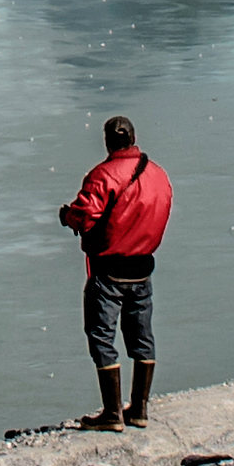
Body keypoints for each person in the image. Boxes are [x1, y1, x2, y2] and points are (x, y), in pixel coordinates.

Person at [55, 112, 171, 430]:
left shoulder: (103, 175)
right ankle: (140, 410)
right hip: (142, 268)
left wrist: (66, 216)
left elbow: (85, 215)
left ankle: (111, 414)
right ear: (133, 138)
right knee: (142, 336)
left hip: (108, 271)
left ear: (108, 142)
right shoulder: (158, 175)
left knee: (101, 335)